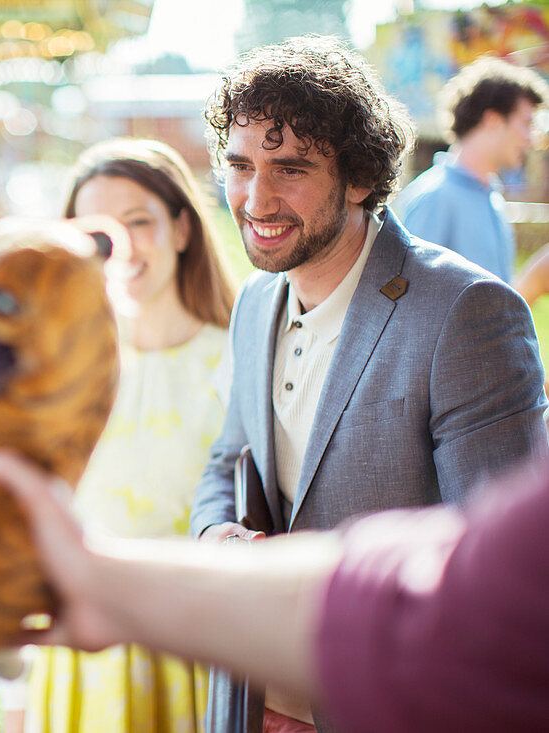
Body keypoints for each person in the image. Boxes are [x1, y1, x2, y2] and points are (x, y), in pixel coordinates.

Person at [189, 36, 549, 731]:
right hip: (251, 700)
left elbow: (493, 576)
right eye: (239, 166)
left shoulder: (465, 312)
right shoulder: (255, 302)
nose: (254, 197)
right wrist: (218, 540)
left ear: (358, 177)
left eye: (288, 168)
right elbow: (225, 460)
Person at [0, 448, 549, 733]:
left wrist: (97, 578)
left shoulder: (465, 306)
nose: (254, 209)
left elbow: (445, 603)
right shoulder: (256, 308)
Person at [12, 138, 235, 733]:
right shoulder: (53, 368)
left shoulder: (239, 359)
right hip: (84, 659)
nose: (125, 247)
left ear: (182, 228)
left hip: (198, 649)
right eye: (98, 232)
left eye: (140, 221)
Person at [394, 56, 548, 281]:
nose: (530, 139)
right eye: (526, 124)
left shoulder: (491, 198)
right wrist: (535, 279)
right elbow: (410, 303)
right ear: (493, 120)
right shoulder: (435, 197)